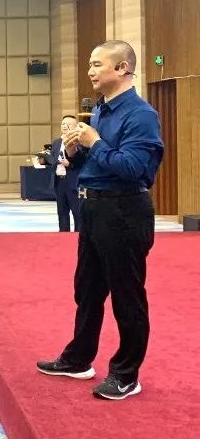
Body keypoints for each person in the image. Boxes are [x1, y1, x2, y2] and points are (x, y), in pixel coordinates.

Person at [37, 40, 164, 401]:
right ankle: (79, 358)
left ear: (122, 68)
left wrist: (94, 142)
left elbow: (134, 168)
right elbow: (96, 165)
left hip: (123, 210)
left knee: (126, 295)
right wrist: (75, 153)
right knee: (88, 290)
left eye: (97, 64)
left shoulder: (140, 115)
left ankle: (126, 374)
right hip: (93, 208)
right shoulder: (100, 112)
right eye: (90, 64)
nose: (90, 71)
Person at [51, 115, 84, 232]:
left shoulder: (80, 142)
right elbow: (53, 158)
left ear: (75, 127)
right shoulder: (56, 142)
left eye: (68, 124)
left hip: (74, 182)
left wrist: (69, 164)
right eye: (63, 124)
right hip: (59, 181)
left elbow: (83, 161)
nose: (64, 126)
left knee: (77, 212)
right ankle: (63, 236)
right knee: (62, 212)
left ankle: (78, 236)